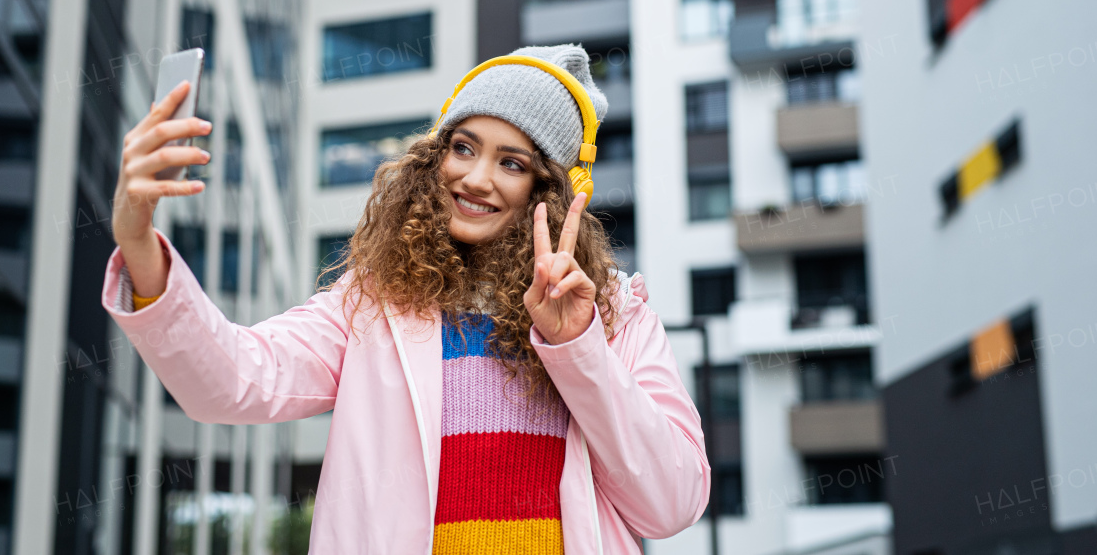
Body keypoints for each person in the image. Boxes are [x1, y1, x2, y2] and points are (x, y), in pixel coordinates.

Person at [102, 44, 710, 554]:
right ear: (433, 156)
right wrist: (136, 239)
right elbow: (231, 381)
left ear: (548, 190)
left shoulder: (616, 316)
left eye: (512, 163)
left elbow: (672, 504)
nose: (474, 178)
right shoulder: (371, 302)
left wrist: (577, 347)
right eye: (463, 147)